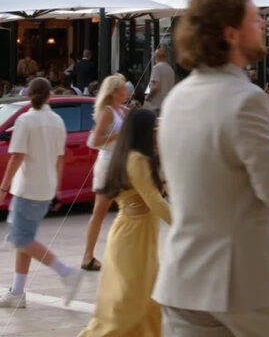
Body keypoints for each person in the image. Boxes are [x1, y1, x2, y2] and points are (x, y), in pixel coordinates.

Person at [154, 0, 269, 336]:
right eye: (254, 17)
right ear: (231, 34)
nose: (263, 23)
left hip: (183, 279)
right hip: (246, 282)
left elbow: (211, 168)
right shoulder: (247, 99)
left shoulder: (178, 98)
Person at [78, 108, 171, 337]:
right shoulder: (135, 159)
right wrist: (183, 225)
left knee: (147, 300)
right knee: (126, 307)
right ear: (144, 132)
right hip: (131, 236)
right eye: (154, 130)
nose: (158, 134)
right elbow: (153, 199)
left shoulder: (143, 158)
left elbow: (163, 189)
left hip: (142, 234)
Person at [0, 77, 81, 308]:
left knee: (21, 239)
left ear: (28, 97)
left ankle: (67, 273)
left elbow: (17, 157)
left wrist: (3, 189)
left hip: (27, 188)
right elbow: (60, 159)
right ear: (49, 97)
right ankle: (17, 292)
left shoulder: (25, 120)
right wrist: (57, 189)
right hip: (45, 189)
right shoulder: (57, 121)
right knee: (25, 239)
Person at [81, 74, 128, 271]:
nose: (126, 91)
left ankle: (122, 254)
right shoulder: (108, 112)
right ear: (114, 92)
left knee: (129, 209)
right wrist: (120, 135)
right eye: (123, 88)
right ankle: (88, 256)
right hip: (108, 165)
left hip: (121, 164)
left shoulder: (121, 111)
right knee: (100, 211)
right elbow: (94, 141)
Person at [145, 47, 174, 114]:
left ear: (156, 57)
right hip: (167, 106)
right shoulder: (170, 69)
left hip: (157, 106)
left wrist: (148, 97)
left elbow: (156, 87)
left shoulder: (156, 68)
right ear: (165, 57)